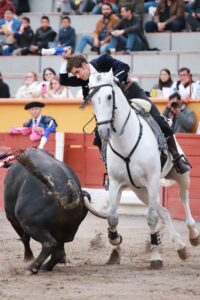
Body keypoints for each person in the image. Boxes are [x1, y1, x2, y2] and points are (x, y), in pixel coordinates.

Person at [59, 49, 191, 174]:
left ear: (85, 65)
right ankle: (109, 168)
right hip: (111, 105)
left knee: (158, 119)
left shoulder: (102, 61)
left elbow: (124, 67)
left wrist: (114, 81)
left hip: (130, 91)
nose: (77, 76)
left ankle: (177, 157)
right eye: (74, 74)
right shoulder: (82, 78)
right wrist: (65, 60)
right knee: (99, 135)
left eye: (77, 72)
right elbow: (63, 80)